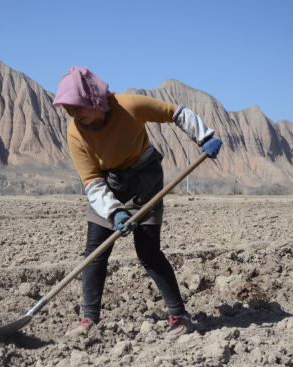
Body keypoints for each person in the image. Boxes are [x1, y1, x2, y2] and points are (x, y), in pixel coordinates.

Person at [52, 66, 222, 340]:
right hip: (107, 186)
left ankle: (180, 317)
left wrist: (204, 136)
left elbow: (174, 113)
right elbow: (92, 181)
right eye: (68, 109)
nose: (73, 114)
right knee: (95, 252)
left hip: (145, 181)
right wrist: (114, 212)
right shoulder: (75, 133)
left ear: (94, 99)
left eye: (77, 107)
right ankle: (89, 320)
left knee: (148, 252)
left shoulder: (129, 105)